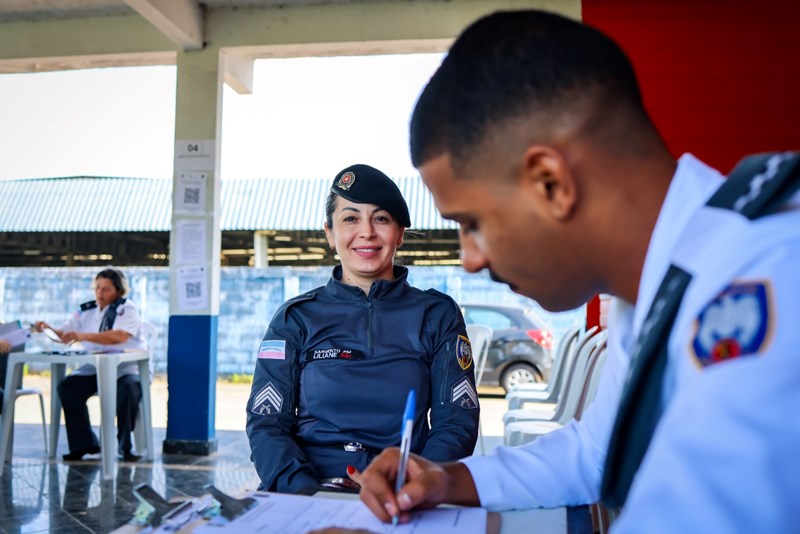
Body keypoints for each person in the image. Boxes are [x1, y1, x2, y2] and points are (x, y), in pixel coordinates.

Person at [354, 10, 800, 532]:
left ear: (551, 184)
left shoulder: (765, 283)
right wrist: (447, 480)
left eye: (471, 222)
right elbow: (596, 453)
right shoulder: (668, 281)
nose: (469, 257)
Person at [246, 163, 480, 494]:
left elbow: (456, 423)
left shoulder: (437, 314)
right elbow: (267, 424)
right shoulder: (294, 318)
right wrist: (306, 494)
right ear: (330, 233)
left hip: (405, 492)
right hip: (308, 490)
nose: (367, 232)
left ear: (399, 233)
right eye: (350, 218)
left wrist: (416, 485)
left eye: (381, 218)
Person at [35, 268, 145, 462]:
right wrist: (48, 329)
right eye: (97, 288)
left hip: (125, 369)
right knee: (68, 388)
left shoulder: (127, 308)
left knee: (128, 389)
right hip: (95, 368)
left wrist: (83, 336)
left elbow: (119, 336)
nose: (100, 294)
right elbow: (65, 335)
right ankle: (84, 444)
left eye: (106, 289)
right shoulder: (86, 310)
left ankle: (124, 444)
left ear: (118, 291)